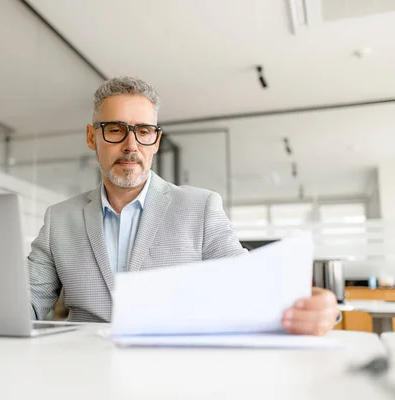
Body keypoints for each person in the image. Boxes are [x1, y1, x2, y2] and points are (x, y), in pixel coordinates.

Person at [28, 76, 339, 336]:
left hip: (170, 373)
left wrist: (315, 309)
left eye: (144, 131)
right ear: (91, 136)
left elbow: (247, 288)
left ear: (156, 141)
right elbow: (26, 302)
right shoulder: (60, 219)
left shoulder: (200, 207)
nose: (131, 145)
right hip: (80, 374)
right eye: (115, 129)